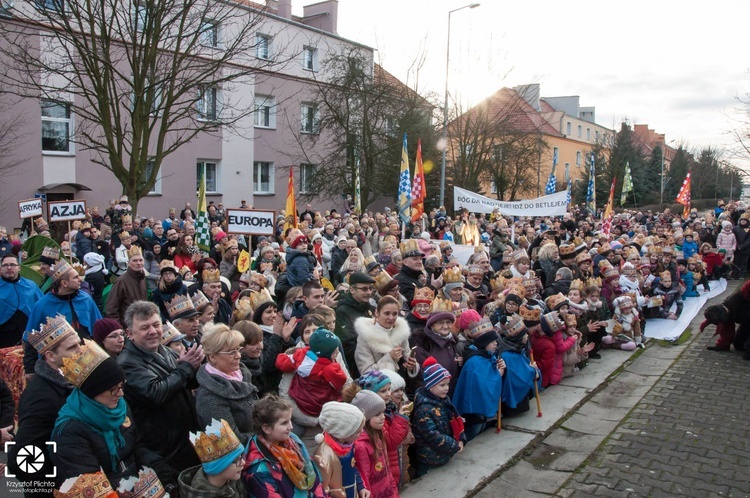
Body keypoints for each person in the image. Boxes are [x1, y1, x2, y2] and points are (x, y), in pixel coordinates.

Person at [50, 340, 177, 491]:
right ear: (93, 392)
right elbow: (89, 484)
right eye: (113, 389)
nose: (121, 393)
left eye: (122, 385)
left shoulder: (119, 406)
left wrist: (157, 465)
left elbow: (135, 445)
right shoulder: (69, 433)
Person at [117, 301, 203, 472]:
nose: (152, 332)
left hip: (186, 440)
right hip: (164, 449)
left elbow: (183, 382)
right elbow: (154, 393)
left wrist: (196, 367)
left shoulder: (166, 351)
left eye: (156, 325)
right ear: (130, 333)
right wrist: (186, 369)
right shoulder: (127, 363)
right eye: (144, 328)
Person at [8, 315, 82, 496]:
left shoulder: (69, 380)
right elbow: (20, 459)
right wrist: (58, 486)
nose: (81, 351)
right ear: (50, 356)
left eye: (79, 344)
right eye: (72, 347)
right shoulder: (40, 397)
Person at [23, 259, 102, 375]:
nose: (80, 279)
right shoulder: (42, 305)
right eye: (75, 277)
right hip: (56, 363)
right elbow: (31, 338)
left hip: (86, 358)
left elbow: (98, 328)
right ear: (64, 283)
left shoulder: (86, 299)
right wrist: (29, 370)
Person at [242, 395, 326, 497]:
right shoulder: (258, 470)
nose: (291, 427)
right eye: (284, 423)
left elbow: (315, 480)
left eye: (290, 420)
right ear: (267, 428)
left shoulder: (293, 441)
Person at [195, 323, 259, 445]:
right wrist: (267, 435)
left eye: (239, 349)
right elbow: (231, 441)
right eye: (231, 352)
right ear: (213, 357)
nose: (239, 356)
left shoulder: (242, 375)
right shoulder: (209, 398)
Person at [275, 327, 347, 418]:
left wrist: (283, 356)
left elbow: (282, 363)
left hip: (300, 401)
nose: (337, 353)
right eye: (334, 352)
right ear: (326, 353)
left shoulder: (300, 355)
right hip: (319, 406)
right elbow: (340, 382)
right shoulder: (329, 369)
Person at [411, 357, 466, 476]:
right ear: (430, 386)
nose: (446, 388)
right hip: (429, 460)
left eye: (447, 384)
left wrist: (460, 437)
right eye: (442, 385)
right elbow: (432, 436)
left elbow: (452, 419)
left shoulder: (443, 400)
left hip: (443, 455)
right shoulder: (424, 409)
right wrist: (454, 445)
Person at [452, 328, 505, 441]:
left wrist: (500, 369)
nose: (496, 344)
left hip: (480, 410)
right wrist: (498, 374)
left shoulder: (486, 356)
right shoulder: (475, 362)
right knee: (472, 435)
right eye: (492, 341)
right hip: (474, 411)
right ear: (484, 343)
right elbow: (485, 385)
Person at [354, 296, 419, 380]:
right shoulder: (365, 337)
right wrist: (390, 357)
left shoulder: (400, 332)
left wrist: (412, 366)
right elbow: (366, 373)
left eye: (395, 314)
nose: (391, 318)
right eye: (387, 313)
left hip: (400, 386)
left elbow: (408, 357)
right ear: (377, 313)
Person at [178, 419, 248, 498]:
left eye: (241, 456)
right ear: (218, 467)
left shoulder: (232, 479)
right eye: (236, 460)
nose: (243, 462)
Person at [313, 401, 367, 498]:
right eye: (358, 431)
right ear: (343, 433)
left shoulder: (349, 445)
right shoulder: (324, 456)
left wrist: (360, 487)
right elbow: (323, 490)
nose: (362, 432)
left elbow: (353, 468)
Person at [351, 390, 398, 498]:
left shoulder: (377, 435)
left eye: (383, 412)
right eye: (377, 414)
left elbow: (387, 469)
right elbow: (365, 479)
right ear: (365, 419)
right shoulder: (361, 446)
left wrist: (394, 493)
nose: (383, 417)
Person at [334, 272, 376, 378]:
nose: (369, 292)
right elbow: (348, 344)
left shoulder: (370, 309)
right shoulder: (342, 311)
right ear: (352, 290)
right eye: (364, 289)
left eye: (370, 288)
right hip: (358, 366)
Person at [0, 253, 43, 348]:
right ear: (1, 269)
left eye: (12, 264)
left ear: (19, 267)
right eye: (5, 265)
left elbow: (42, 306)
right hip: (4, 336)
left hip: (29, 332)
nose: (9, 268)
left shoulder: (31, 285)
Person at [105, 245, 147, 325]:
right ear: (128, 263)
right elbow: (111, 308)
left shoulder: (142, 278)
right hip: (127, 326)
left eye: (140, 260)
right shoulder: (121, 281)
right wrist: (119, 328)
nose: (138, 263)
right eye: (135, 261)